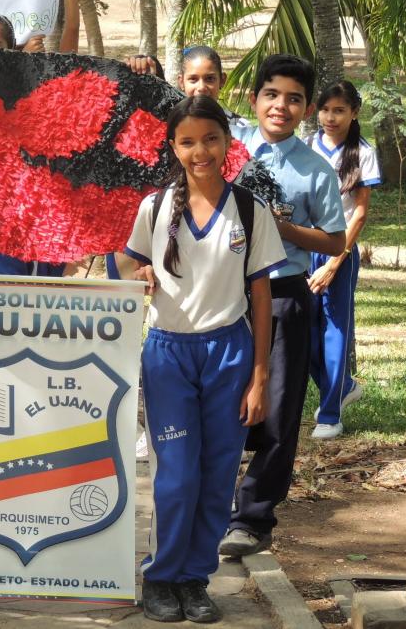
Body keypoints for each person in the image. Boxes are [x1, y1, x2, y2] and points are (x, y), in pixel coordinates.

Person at [114, 95, 286, 623]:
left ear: (227, 142)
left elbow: (261, 298)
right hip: (169, 352)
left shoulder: (250, 211)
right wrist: (133, 274)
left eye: (210, 139)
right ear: (173, 147)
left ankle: (195, 579)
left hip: (230, 354)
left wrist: (259, 377)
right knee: (177, 475)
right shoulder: (155, 207)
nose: (200, 151)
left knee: (216, 476)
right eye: (187, 141)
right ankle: (161, 576)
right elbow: (126, 262)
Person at [219, 55, 346, 557]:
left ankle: (251, 519)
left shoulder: (315, 170)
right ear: (254, 100)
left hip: (284, 296)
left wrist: (279, 228)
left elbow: (335, 242)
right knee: (221, 402)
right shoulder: (226, 152)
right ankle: (209, 506)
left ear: (307, 108)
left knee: (277, 411)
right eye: (272, 94)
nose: (282, 105)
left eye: (294, 98)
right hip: (223, 295)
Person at [306, 80, 379, 440]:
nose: (330, 117)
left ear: (354, 112)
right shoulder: (305, 147)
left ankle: (330, 414)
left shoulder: (363, 152)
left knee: (334, 331)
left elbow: (360, 214)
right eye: (325, 109)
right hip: (302, 248)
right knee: (301, 332)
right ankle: (343, 385)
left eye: (339, 110)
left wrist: (335, 262)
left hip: (340, 251)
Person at [177, 46, 254, 134]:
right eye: (193, 79)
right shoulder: (171, 126)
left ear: (222, 80)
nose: (201, 87)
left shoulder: (241, 128)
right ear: (181, 82)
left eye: (209, 79)